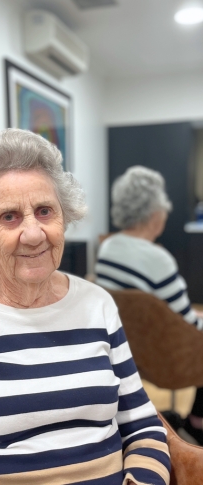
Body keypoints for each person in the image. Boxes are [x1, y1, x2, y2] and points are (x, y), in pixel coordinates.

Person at [0, 130, 170, 485]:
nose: (34, 233)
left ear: (64, 218)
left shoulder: (97, 304)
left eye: (44, 211)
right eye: (9, 216)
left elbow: (144, 426)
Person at [96, 165, 203, 446]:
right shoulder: (158, 259)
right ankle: (197, 424)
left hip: (130, 355)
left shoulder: (108, 247)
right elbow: (189, 324)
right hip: (170, 361)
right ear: (155, 214)